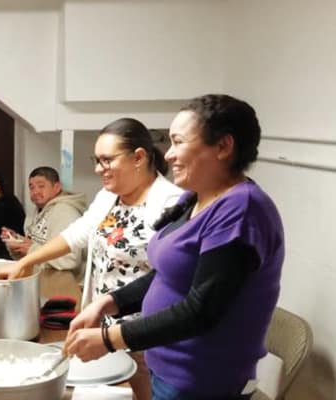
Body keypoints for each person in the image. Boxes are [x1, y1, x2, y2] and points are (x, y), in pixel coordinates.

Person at [62, 95, 284, 399]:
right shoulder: (194, 198)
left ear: (223, 147)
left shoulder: (241, 210)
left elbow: (201, 310)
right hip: (166, 369)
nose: (168, 155)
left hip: (202, 381)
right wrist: (108, 303)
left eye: (179, 142)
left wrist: (111, 338)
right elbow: (166, 274)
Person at [0, 118, 182, 400]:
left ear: (139, 157)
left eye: (107, 160)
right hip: (105, 321)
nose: (99, 169)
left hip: (146, 328)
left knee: (149, 387)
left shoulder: (171, 203)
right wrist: (26, 261)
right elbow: (77, 234)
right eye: (96, 160)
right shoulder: (109, 196)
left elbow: (170, 276)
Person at [1, 166, 87, 280]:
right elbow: (34, 247)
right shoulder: (35, 213)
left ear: (56, 187)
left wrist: (31, 248)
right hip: (42, 277)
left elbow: (69, 260)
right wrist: (17, 242)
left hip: (66, 283)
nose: (35, 191)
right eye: (31, 187)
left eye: (41, 186)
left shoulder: (66, 212)